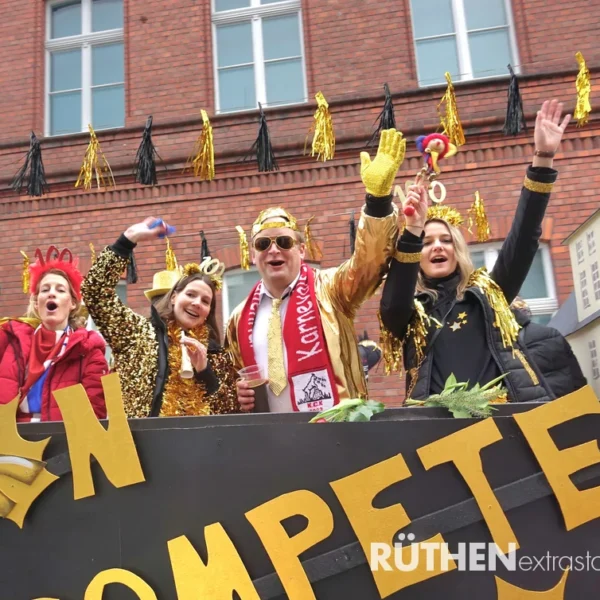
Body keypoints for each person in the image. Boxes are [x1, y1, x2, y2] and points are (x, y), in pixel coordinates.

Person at [380, 99, 570, 403]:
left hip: (502, 419)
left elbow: (523, 239)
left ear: (458, 250)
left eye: (446, 240)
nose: (437, 246)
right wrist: (413, 230)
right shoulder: (412, 312)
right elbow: (391, 307)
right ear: (418, 257)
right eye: (427, 243)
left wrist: (543, 158)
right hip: (437, 427)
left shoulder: (489, 293)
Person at [227, 129, 404, 412]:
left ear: (301, 250)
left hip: (332, 428)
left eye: (284, 242)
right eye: (263, 244)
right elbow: (234, 380)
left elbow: (368, 264)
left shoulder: (330, 289)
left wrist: (378, 202)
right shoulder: (238, 319)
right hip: (267, 434)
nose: (273, 250)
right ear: (253, 255)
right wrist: (239, 394)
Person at [81, 219, 239, 418]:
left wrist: (204, 371)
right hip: (144, 437)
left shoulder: (215, 354)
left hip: (199, 438)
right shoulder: (138, 334)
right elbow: (95, 292)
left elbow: (230, 415)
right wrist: (126, 241)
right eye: (190, 294)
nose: (197, 303)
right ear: (174, 298)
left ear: (208, 311)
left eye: (205, 301)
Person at [0, 247, 108, 422]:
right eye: (45, 290)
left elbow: (95, 414)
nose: (51, 293)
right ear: (36, 303)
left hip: (63, 436)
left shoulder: (88, 350)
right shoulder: (10, 340)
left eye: (60, 290)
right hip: (11, 436)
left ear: (73, 303)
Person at [511, 297, 587, 399]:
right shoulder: (551, 333)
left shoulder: (503, 341)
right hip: (567, 401)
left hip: (534, 405)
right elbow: (576, 376)